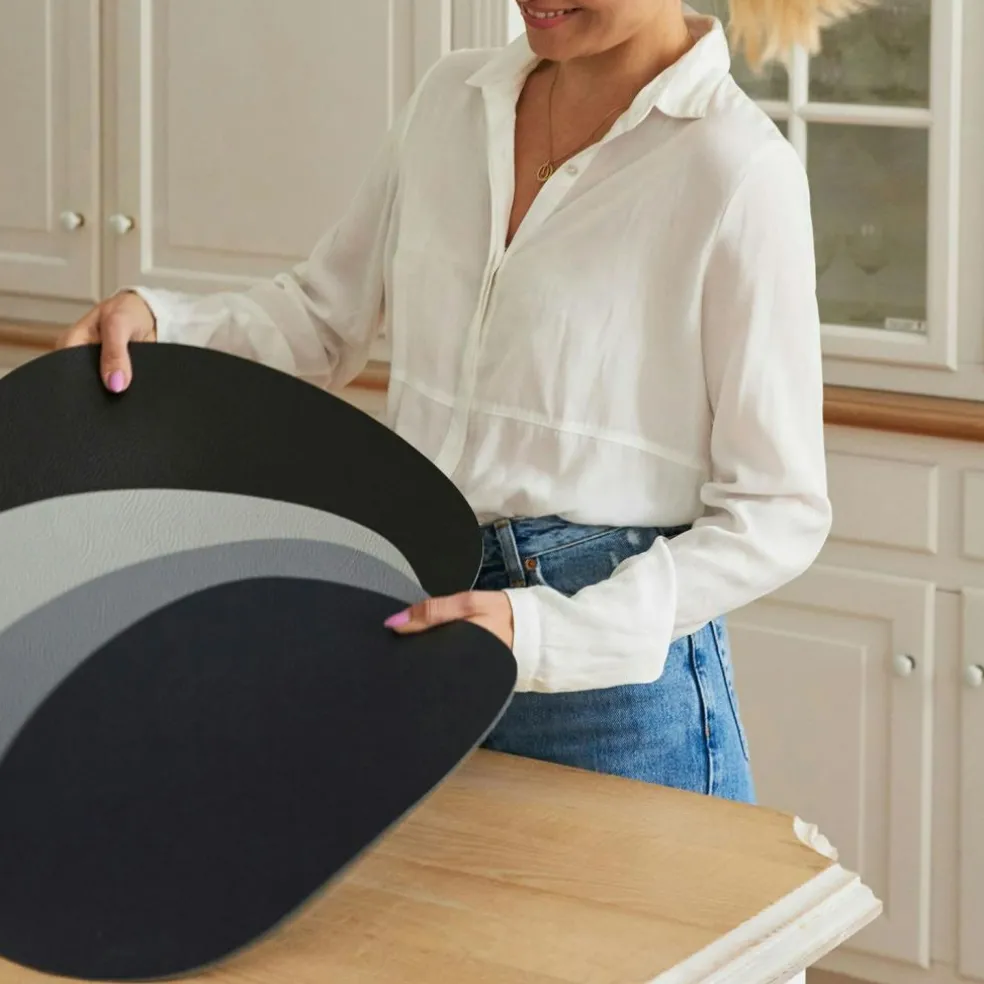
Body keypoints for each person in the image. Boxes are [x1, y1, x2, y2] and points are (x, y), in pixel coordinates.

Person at [59, 0, 841, 803]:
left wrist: (544, 631)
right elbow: (324, 318)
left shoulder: (736, 168)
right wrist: (164, 323)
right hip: (417, 616)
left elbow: (777, 511)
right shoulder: (451, 101)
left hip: (607, 690)